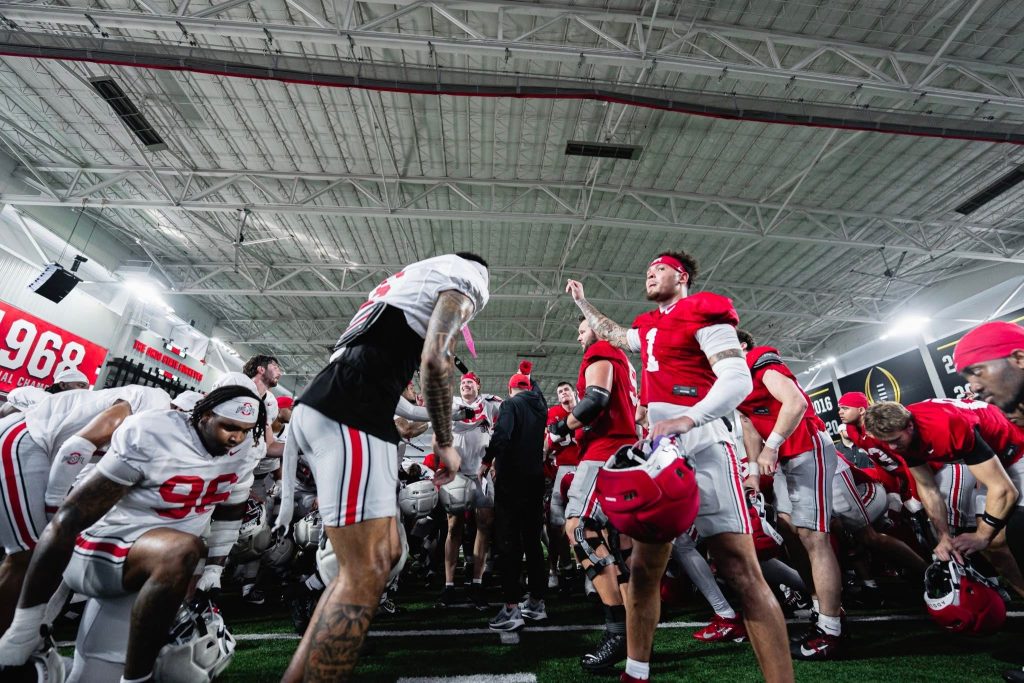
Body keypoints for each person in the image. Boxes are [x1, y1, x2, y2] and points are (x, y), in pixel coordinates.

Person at [567, 250, 793, 683]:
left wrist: (689, 417)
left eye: (660, 268)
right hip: (660, 451)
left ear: (682, 275)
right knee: (644, 570)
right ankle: (636, 672)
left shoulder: (703, 311)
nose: (650, 273)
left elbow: (737, 379)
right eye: (647, 268)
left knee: (740, 569)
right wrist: (582, 301)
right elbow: (613, 333)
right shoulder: (649, 325)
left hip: (705, 443)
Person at [273, 252, 489, 682]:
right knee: (366, 567)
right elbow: (435, 359)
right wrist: (445, 442)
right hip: (350, 411)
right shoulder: (466, 277)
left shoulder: (404, 287)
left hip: (342, 405)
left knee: (387, 553)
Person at [0, 384, 265, 681]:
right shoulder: (153, 429)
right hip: (102, 547)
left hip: (148, 567)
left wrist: (214, 571)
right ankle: (138, 677)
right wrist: (25, 626)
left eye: (245, 429)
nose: (237, 437)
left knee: (97, 674)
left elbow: (230, 509)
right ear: (202, 415)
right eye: (229, 426)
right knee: (184, 550)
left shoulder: (245, 449)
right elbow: (71, 518)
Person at [0, 384, 170, 632]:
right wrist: (55, 509)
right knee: (30, 554)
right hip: (28, 439)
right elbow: (76, 447)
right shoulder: (156, 401)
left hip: (43, 451)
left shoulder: (166, 446)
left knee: (40, 553)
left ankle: (23, 633)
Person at [734, 331, 844, 659]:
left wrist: (771, 446)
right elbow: (749, 424)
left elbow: (796, 402)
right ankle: (819, 607)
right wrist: (754, 469)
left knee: (814, 536)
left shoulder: (758, 360)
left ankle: (832, 630)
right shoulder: (733, 380)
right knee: (790, 532)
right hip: (782, 456)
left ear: (740, 346)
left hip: (806, 446)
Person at [548, 317, 638, 669]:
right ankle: (635, 634)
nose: (579, 336)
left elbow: (596, 399)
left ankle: (617, 632)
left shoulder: (602, 350)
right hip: (627, 452)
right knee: (624, 548)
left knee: (579, 529)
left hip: (605, 455)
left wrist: (562, 426)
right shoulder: (625, 362)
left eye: (582, 330)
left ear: (599, 331)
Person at [863, 399, 1022, 564]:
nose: (893, 448)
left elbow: (1004, 489)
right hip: (987, 454)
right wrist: (943, 536)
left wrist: (982, 535)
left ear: (910, 426)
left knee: (1002, 536)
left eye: (896, 440)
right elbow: (928, 487)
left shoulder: (944, 427)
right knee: (992, 547)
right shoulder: (900, 434)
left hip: (1013, 444)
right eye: (887, 442)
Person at [481, 366, 549, 631]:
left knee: (508, 541)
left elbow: (502, 436)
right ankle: (536, 603)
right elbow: (539, 392)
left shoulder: (510, 405)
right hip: (535, 479)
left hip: (512, 481)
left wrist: (488, 461)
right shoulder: (540, 407)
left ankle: (511, 607)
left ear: (510, 389)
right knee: (533, 542)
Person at [438, 371, 502, 609]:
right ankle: (449, 585)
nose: (465, 385)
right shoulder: (450, 403)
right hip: (457, 474)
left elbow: (508, 411)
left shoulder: (490, 403)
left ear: (478, 386)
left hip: (481, 474)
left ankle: (477, 583)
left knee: (484, 525)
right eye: (463, 383)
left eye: (470, 383)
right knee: (453, 526)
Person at [545, 381, 580, 589]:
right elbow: (551, 440)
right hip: (562, 469)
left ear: (574, 392)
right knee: (556, 524)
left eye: (566, 389)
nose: (563, 393)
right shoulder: (555, 413)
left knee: (585, 523)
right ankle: (563, 568)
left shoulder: (586, 408)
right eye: (559, 391)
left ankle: (587, 570)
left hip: (585, 467)